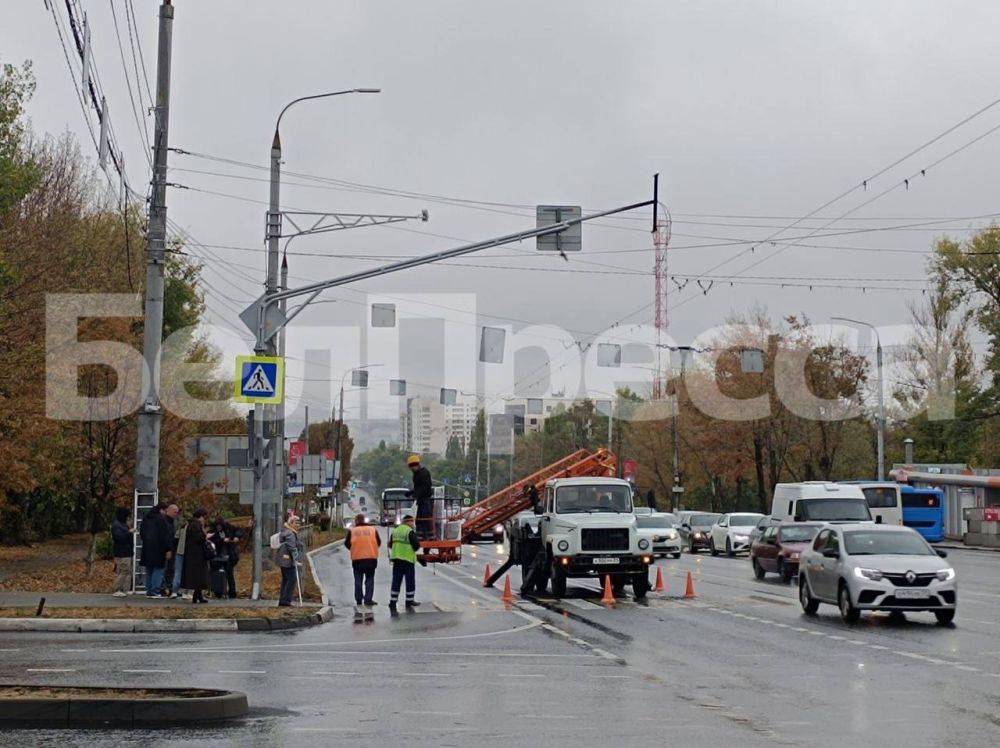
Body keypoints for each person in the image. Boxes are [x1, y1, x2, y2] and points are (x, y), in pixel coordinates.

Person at [344, 513, 381, 609]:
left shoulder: (352, 531)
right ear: (364, 520)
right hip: (371, 559)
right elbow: (378, 542)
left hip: (357, 559)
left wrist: (354, 549)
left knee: (358, 580)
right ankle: (368, 599)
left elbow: (347, 544)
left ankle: (359, 600)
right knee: (369, 579)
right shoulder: (372, 530)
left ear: (356, 521)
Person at [388, 514, 421, 614]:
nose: (413, 523)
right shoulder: (409, 531)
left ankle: (393, 602)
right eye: (412, 522)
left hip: (397, 559)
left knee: (396, 581)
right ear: (408, 522)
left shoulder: (395, 531)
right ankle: (409, 601)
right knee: (410, 581)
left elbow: (390, 544)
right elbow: (417, 545)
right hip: (407, 560)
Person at [139, 502, 172, 597]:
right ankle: (155, 591)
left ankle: (149, 591)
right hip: (159, 549)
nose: (165, 513)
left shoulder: (146, 518)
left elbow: (142, 533)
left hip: (147, 548)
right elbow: (165, 536)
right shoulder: (161, 519)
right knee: (158, 570)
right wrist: (168, 549)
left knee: (149, 570)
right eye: (165, 511)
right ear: (161, 509)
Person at [181, 508, 211, 604]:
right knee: (199, 576)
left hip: (193, 554)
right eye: (204, 517)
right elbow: (199, 538)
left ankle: (197, 596)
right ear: (200, 516)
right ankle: (198, 596)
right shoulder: (196, 525)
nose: (204, 519)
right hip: (197, 555)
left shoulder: (191, 524)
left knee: (198, 576)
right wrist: (206, 535)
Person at [208, 516, 243, 598]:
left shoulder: (229, 528)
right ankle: (218, 592)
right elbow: (212, 541)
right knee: (217, 573)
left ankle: (232, 593)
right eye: (217, 526)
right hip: (218, 556)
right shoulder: (213, 531)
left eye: (220, 526)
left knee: (229, 574)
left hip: (229, 555)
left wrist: (236, 537)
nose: (218, 527)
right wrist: (222, 540)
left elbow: (239, 530)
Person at [276, 514, 304, 607]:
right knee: (291, 579)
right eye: (296, 522)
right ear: (291, 523)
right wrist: (296, 560)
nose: (298, 525)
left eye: (299, 523)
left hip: (284, 559)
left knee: (286, 579)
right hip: (287, 560)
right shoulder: (290, 533)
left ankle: (283, 600)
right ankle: (286, 601)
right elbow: (292, 548)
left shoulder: (288, 532)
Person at [404, 454, 433, 540]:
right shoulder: (416, 474)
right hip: (420, 500)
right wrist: (411, 492)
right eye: (410, 467)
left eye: (413, 466)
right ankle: (421, 534)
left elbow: (425, 487)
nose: (412, 469)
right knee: (419, 518)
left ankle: (429, 535)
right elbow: (418, 487)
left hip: (425, 499)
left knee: (425, 517)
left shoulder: (424, 473)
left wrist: (416, 494)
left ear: (417, 465)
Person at [111, 507, 133, 597]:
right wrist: (129, 532)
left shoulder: (122, 524)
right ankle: (117, 588)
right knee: (124, 570)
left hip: (126, 551)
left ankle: (125, 589)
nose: (128, 518)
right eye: (127, 516)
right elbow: (118, 538)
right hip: (121, 552)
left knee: (127, 571)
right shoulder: (117, 525)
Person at [161, 503, 180, 596]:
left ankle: (170, 587)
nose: (176, 513)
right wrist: (167, 549)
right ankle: (163, 588)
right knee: (164, 568)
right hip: (166, 549)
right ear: (168, 510)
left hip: (173, 548)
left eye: (177, 512)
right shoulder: (164, 521)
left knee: (171, 569)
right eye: (174, 511)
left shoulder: (174, 522)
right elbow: (165, 536)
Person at [170, 510, 188, 599]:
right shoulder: (193, 528)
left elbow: (175, 538)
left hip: (179, 551)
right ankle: (185, 592)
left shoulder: (181, 528)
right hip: (189, 553)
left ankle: (174, 591)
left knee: (178, 572)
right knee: (187, 573)